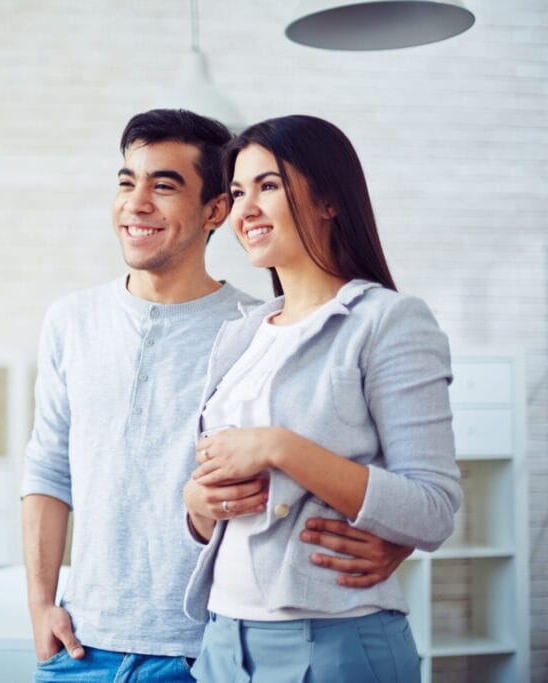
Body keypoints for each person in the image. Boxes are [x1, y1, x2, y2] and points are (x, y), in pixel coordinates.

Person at [21, 108, 413, 682]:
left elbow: (351, 457)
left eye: (164, 185)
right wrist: (39, 603)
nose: (137, 202)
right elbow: (48, 468)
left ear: (215, 210)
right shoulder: (70, 320)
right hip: (79, 648)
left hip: (209, 647)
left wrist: (395, 540)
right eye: (127, 182)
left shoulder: (261, 329)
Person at [183, 114, 463, 682]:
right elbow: (212, 501)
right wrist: (197, 504)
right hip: (221, 642)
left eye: (269, 186)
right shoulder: (242, 334)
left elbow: (433, 509)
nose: (246, 209)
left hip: (333, 641)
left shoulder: (387, 320)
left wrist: (281, 448)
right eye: (238, 192)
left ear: (330, 201)